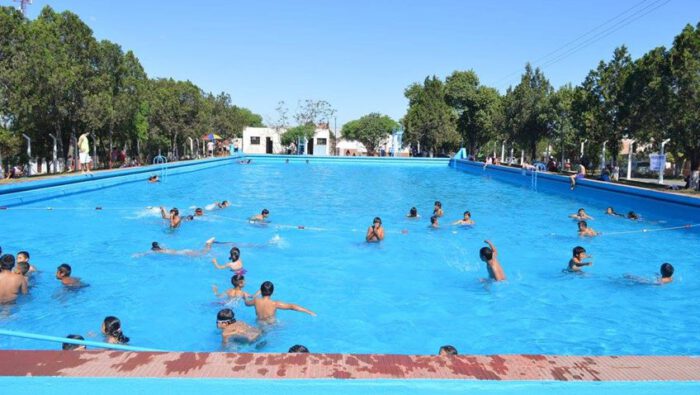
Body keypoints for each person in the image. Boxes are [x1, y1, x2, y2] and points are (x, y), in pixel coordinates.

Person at [244, 281, 316, 324]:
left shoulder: (256, 301)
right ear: (272, 292)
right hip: (271, 324)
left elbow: (246, 303)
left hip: (259, 323)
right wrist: (309, 312)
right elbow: (292, 306)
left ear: (261, 292)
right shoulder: (274, 303)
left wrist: (245, 297)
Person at [149, 238, 215, 256]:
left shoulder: (160, 251)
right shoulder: (163, 249)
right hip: (184, 251)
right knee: (202, 253)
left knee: (203, 254)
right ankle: (208, 244)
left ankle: (208, 243)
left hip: (184, 253)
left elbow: (148, 252)